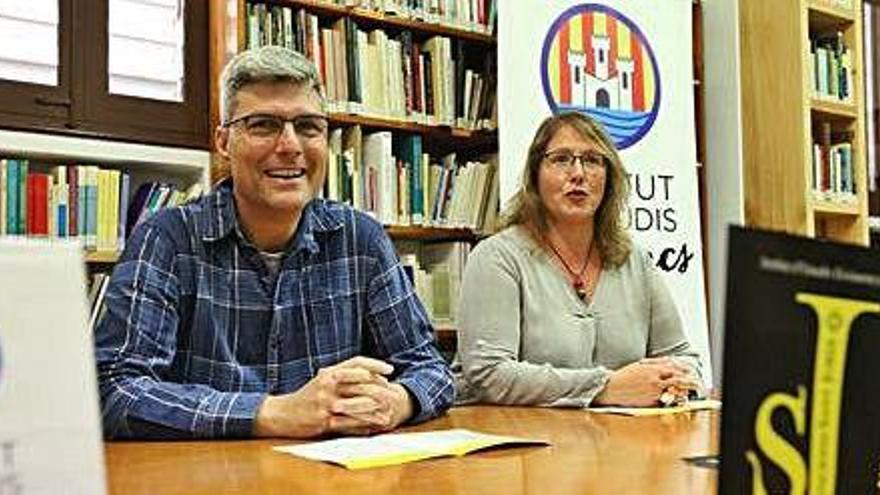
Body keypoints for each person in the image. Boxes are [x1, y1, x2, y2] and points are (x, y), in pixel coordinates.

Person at [94, 46, 454, 439]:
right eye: (264, 125)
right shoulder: (167, 240)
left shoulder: (361, 239)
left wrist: (396, 401)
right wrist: (274, 413)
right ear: (223, 142)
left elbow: (430, 368)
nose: (290, 145)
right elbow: (115, 390)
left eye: (308, 126)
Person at [455, 112, 702, 408]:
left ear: (609, 178)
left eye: (592, 160)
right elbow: (488, 374)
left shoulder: (633, 260)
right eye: (560, 159)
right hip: (521, 444)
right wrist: (604, 388)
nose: (578, 174)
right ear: (535, 175)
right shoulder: (498, 257)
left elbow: (683, 357)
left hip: (621, 442)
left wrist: (673, 383)